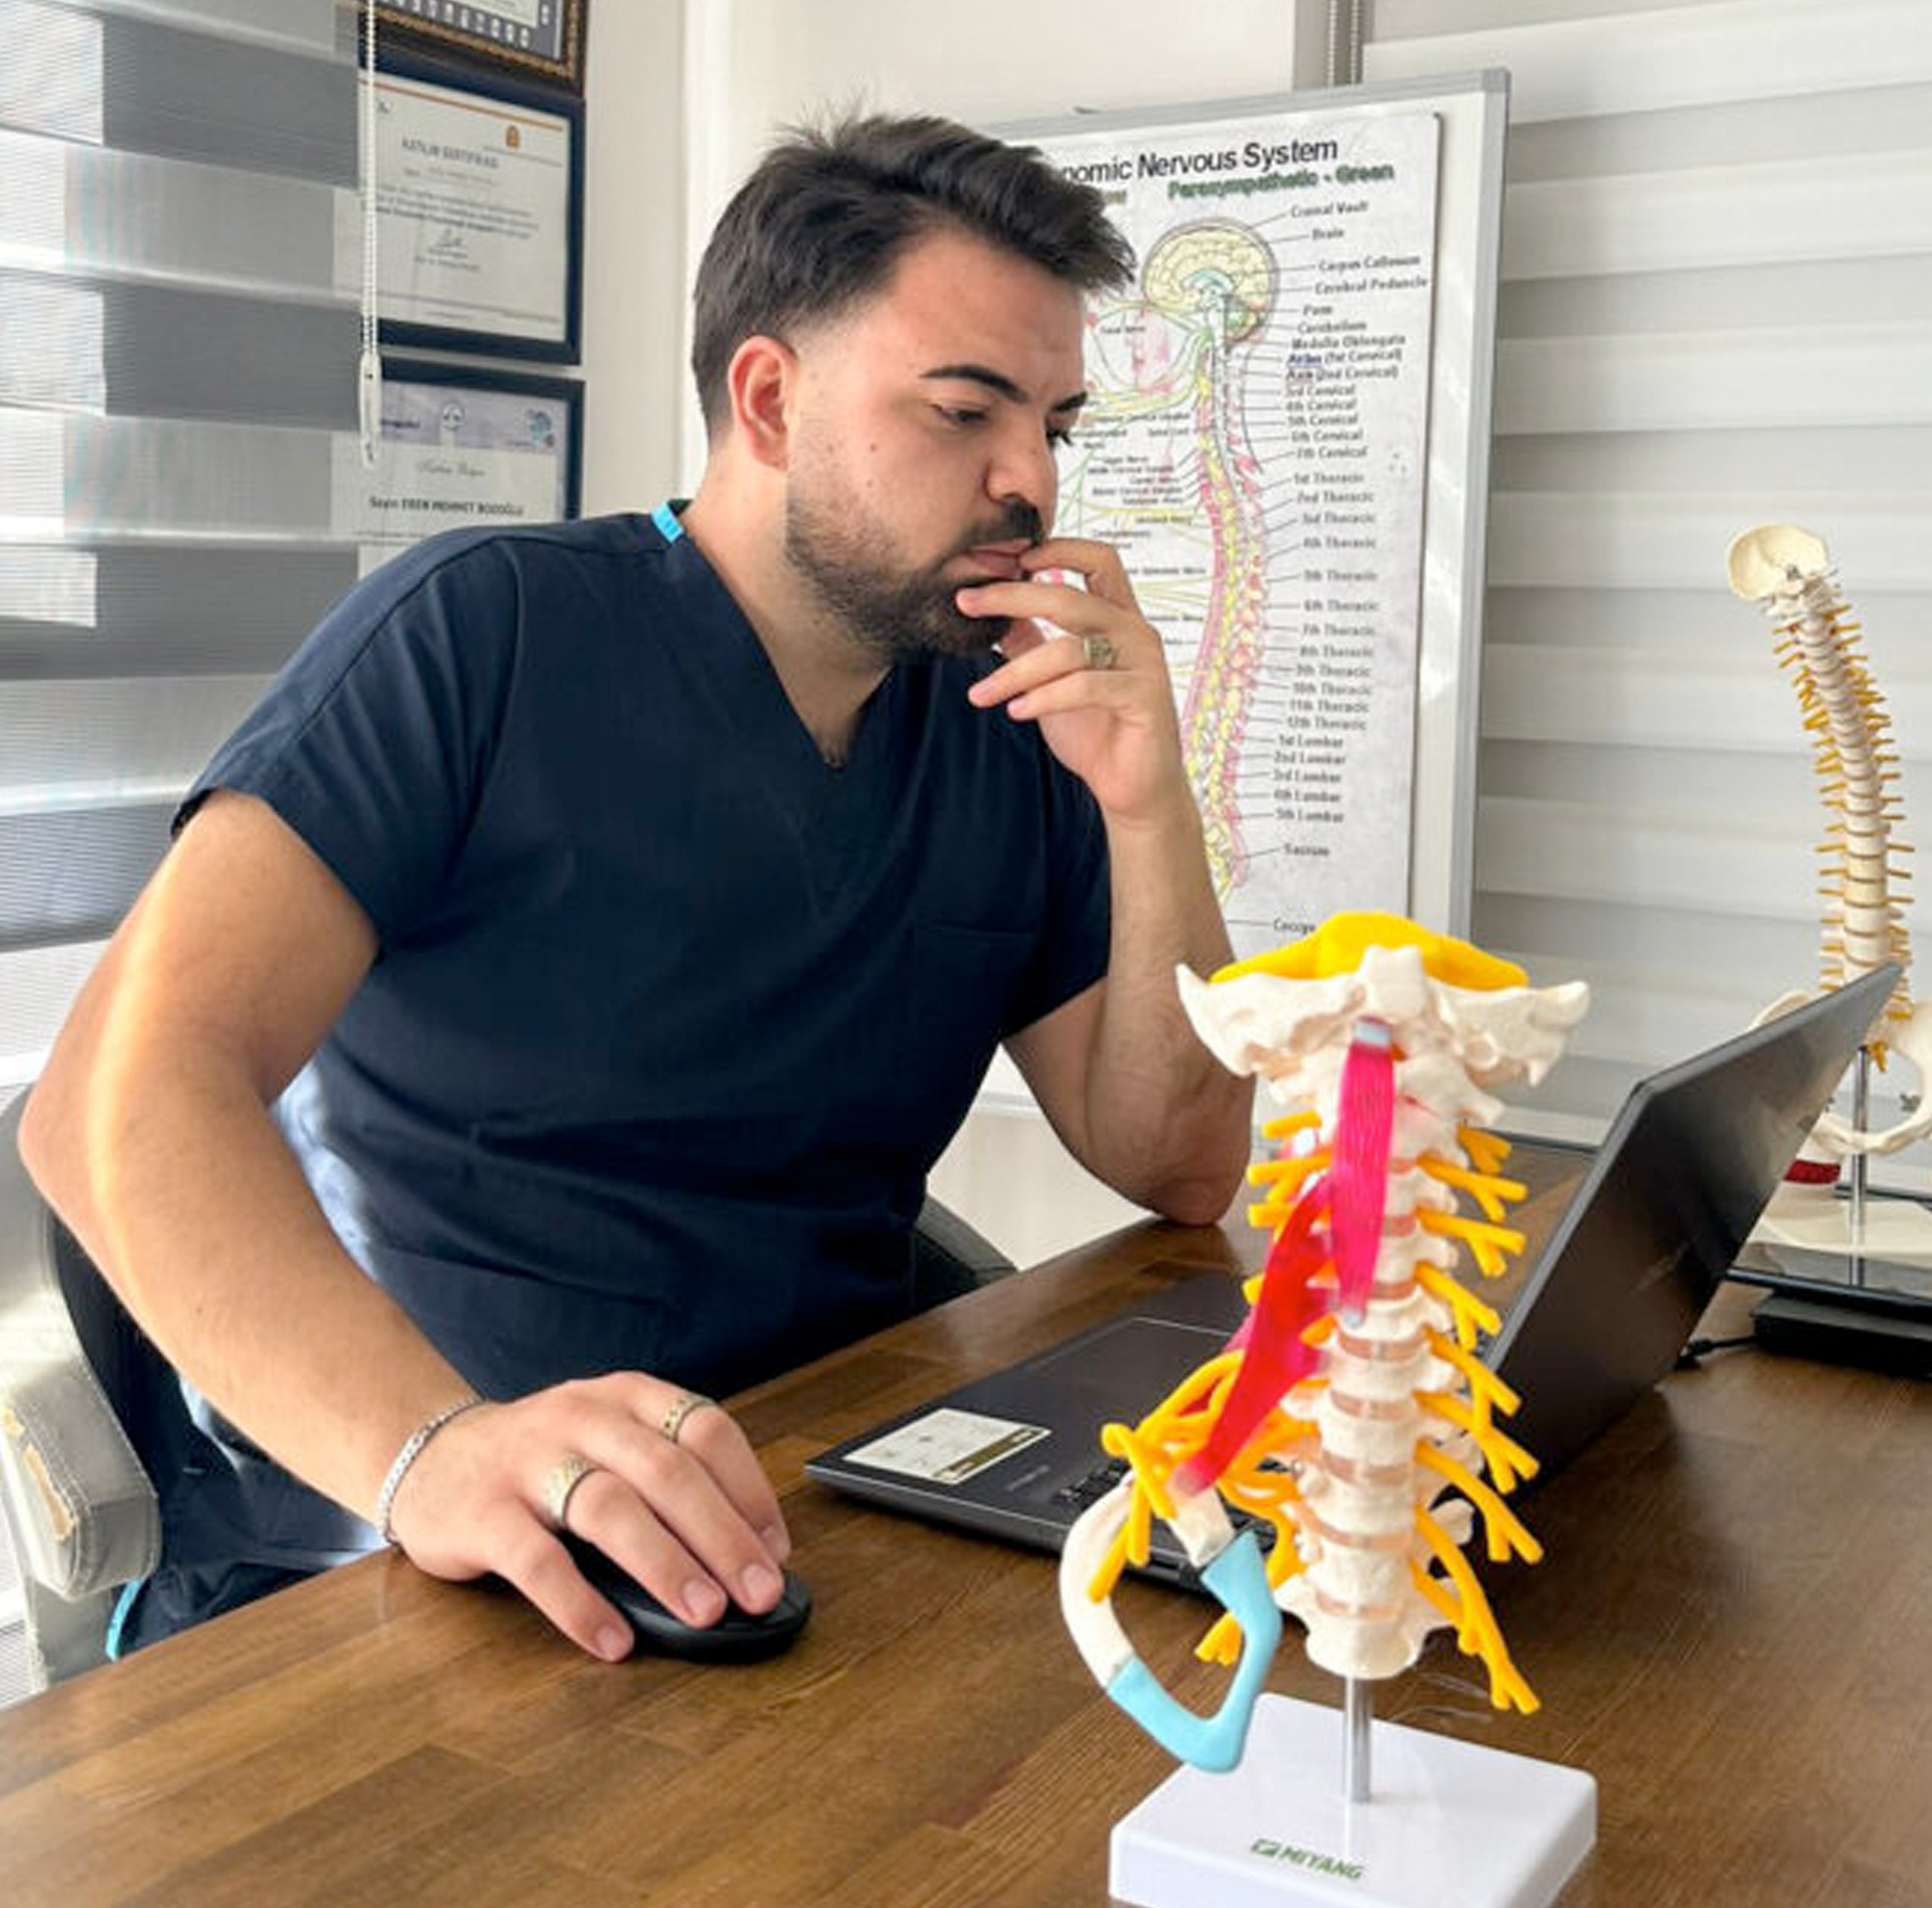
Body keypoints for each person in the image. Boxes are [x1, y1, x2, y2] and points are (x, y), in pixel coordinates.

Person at [19, 112, 1251, 1661]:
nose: (1030, 481)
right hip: (410, 1547)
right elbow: (111, 1103)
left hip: (810, 1505)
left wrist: (1149, 804)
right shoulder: (478, 638)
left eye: (1055, 425)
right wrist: (431, 1452)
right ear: (769, 397)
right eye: (963, 411)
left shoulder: (1000, 714)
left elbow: (1179, 1164)